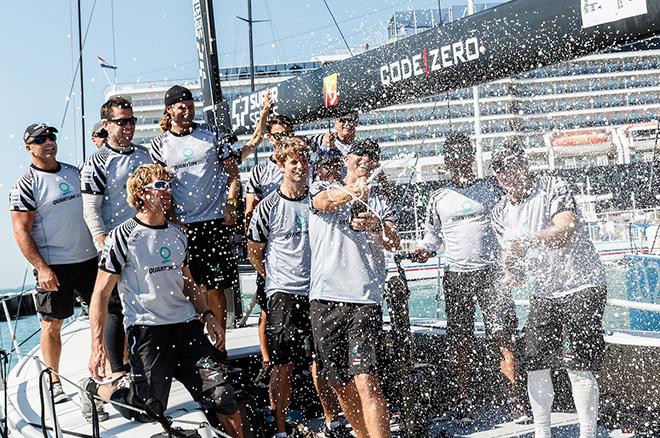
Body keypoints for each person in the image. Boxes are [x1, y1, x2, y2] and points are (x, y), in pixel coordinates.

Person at [81, 164, 244, 437]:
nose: (167, 190)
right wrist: (97, 345)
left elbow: (188, 283)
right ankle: (96, 389)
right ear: (142, 193)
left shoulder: (178, 233)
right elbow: (101, 293)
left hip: (187, 330)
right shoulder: (121, 237)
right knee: (149, 408)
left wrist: (208, 316)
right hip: (147, 332)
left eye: (168, 185)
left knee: (222, 395)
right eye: (160, 186)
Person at [490, 140, 607, 438]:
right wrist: (510, 273)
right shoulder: (500, 211)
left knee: (578, 361)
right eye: (500, 171)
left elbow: (566, 229)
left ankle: (587, 434)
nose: (507, 176)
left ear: (524, 165)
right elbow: (509, 257)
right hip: (545, 290)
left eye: (511, 168)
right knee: (535, 360)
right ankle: (542, 433)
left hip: (583, 282)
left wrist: (528, 241)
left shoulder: (553, 186)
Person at [412, 132, 524, 423]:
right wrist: (423, 250)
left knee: (504, 337)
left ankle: (514, 400)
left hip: (492, 274)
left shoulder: (491, 188)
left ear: (472, 157)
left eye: (464, 153)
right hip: (457, 275)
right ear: (447, 161)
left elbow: (511, 225)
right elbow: (431, 238)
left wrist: (515, 262)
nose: (460, 160)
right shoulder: (438, 197)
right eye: (454, 155)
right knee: (459, 340)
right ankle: (462, 400)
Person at [247, 137, 349, 438]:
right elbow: (255, 249)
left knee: (324, 359)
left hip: (319, 291)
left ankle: (333, 421)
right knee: (283, 364)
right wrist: (272, 279)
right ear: (280, 166)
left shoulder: (316, 200)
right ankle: (279, 430)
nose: (301, 167)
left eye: (305, 161)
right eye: (294, 162)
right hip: (283, 292)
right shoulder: (268, 207)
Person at [309, 139, 400, 438]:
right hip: (324, 299)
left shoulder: (382, 201)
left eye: (372, 157)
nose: (366, 160)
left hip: (364, 299)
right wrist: (351, 193)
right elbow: (323, 203)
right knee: (340, 384)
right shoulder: (321, 186)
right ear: (346, 159)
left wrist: (376, 225)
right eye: (360, 154)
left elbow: (393, 241)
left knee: (366, 381)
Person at [10, 123, 97, 403]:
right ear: (29, 148)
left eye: (52, 136)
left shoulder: (75, 172)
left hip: (90, 260)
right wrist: (42, 268)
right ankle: (54, 381)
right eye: (41, 139)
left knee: (109, 314)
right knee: (52, 323)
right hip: (54, 266)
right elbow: (21, 231)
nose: (49, 142)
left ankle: (114, 369)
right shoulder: (25, 185)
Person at [150, 85, 241, 334]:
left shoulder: (212, 134)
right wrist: (170, 219)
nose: (187, 112)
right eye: (182, 108)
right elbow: (161, 187)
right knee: (193, 287)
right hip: (183, 226)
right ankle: (202, 347)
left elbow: (233, 174)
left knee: (217, 288)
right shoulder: (160, 145)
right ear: (169, 110)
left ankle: (219, 347)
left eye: (191, 107)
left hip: (214, 221)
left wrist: (231, 203)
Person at [81, 96, 152, 390]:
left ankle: (143, 363)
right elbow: (90, 209)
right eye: (122, 122)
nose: (129, 126)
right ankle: (117, 371)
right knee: (114, 308)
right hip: (115, 243)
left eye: (132, 120)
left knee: (144, 302)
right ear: (107, 125)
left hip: (146, 240)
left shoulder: (145, 154)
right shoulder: (97, 162)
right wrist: (103, 242)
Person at [244, 114, 294, 375]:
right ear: (269, 138)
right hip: (269, 247)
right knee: (266, 307)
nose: (281, 139)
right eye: (276, 135)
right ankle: (266, 361)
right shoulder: (260, 171)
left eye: (286, 134)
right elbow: (249, 211)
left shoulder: (299, 165)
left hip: (296, 251)